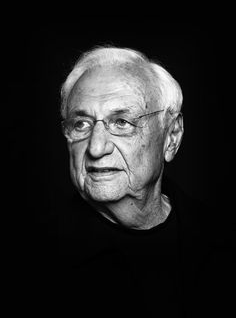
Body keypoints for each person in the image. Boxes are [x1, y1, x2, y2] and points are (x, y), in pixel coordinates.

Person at [32, 46, 233, 317]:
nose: (96, 148)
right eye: (81, 124)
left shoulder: (220, 237)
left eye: (122, 122)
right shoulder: (33, 255)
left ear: (171, 137)